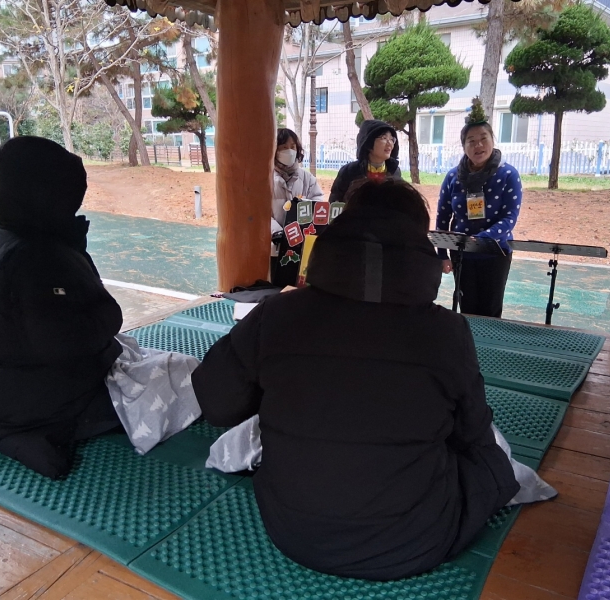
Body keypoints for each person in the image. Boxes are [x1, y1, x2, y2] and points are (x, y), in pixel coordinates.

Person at [192, 179, 519, 581]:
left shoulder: (277, 314)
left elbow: (216, 402)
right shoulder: (448, 332)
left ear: (343, 229)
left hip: (293, 532)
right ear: (419, 244)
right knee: (491, 463)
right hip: (416, 541)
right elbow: (473, 435)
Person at [0, 136, 124, 480]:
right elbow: (69, 340)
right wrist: (106, 312)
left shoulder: (1, 241)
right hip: (49, 400)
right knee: (184, 377)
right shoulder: (39, 257)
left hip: (5, 389)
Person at [436, 98, 522, 318]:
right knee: (467, 311)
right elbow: (443, 217)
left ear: (492, 140)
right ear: (463, 146)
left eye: (483, 138)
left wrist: (482, 239)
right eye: (471, 141)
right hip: (462, 254)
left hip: (495, 253)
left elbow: (509, 217)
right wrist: (442, 254)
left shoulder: (508, 175)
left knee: (491, 312)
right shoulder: (453, 177)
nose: (478, 146)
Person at [328, 119, 402, 203]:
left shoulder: (395, 172)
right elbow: (335, 204)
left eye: (392, 139)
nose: (390, 143)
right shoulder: (349, 171)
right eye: (384, 138)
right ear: (368, 143)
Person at [271, 128, 324, 235]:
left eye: (292, 147)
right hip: (273, 239)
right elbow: (261, 213)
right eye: (284, 147)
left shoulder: (307, 178)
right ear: (275, 150)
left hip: (302, 237)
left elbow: (318, 203)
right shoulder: (266, 180)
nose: (290, 151)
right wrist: (277, 233)